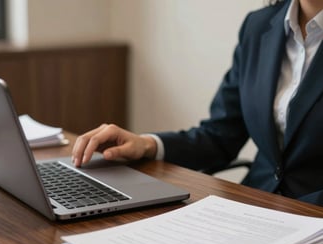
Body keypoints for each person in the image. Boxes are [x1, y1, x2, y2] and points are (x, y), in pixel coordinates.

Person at [72, 0, 323, 206]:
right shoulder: (258, 27)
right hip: (256, 205)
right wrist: (146, 145)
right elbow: (220, 135)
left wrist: (298, 214)